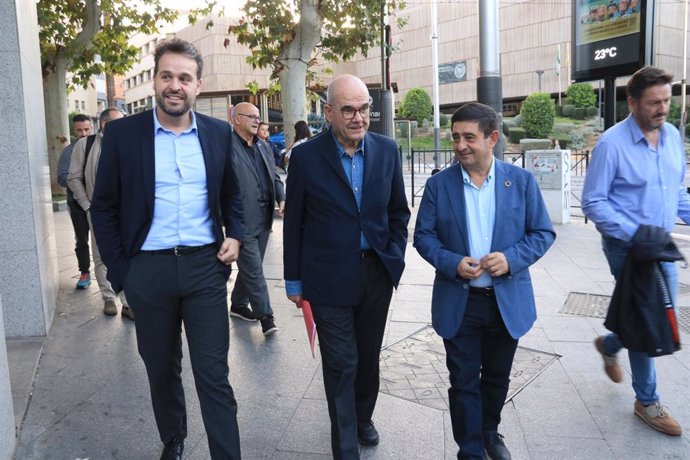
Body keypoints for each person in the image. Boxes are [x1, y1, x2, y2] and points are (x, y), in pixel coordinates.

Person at [90, 38, 244, 459]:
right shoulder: (122, 135)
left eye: (185, 78)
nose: (175, 85)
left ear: (197, 85)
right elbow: (103, 208)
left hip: (204, 270)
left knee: (214, 374)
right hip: (147, 272)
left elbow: (232, 195)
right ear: (156, 80)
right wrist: (124, 275)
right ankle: (173, 439)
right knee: (161, 370)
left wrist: (236, 235)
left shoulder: (218, 133)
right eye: (167, 76)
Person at [414, 102, 555, 460]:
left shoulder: (520, 182)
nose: (460, 145)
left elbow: (542, 232)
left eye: (469, 138)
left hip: (505, 302)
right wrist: (451, 262)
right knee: (463, 382)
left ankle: (490, 431)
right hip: (460, 303)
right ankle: (471, 449)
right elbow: (424, 238)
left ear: (492, 138)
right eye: (456, 137)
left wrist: (511, 259)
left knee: (496, 378)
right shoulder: (437, 186)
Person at [283, 74, 410, 459]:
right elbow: (294, 222)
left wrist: (394, 255)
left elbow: (398, 212)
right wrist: (293, 280)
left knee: (368, 355)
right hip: (326, 277)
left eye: (365, 109)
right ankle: (345, 446)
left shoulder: (387, 150)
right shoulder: (305, 156)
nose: (359, 117)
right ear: (329, 113)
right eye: (349, 109)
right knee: (341, 362)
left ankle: (363, 416)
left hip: (375, 272)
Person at [582, 66, 690, 437]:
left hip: (659, 244)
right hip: (626, 246)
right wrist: (635, 234)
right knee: (648, 317)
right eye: (653, 103)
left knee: (660, 313)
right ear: (632, 103)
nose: (662, 109)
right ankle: (647, 401)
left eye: (666, 101)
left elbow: (675, 191)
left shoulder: (673, 136)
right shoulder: (612, 144)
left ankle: (611, 343)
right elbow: (593, 202)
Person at [67, 108, 133, 319]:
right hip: (97, 211)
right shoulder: (84, 145)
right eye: (119, 122)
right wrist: (86, 204)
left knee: (128, 254)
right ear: (105, 124)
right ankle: (107, 297)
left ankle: (128, 302)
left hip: (127, 210)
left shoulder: (129, 143)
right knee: (102, 254)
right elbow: (73, 178)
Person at [229, 102, 285, 335]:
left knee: (252, 266)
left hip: (264, 218)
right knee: (254, 270)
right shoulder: (225, 147)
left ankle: (238, 304)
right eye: (251, 116)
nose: (256, 120)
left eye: (258, 116)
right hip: (241, 219)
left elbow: (274, 176)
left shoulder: (263, 146)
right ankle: (266, 317)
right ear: (236, 119)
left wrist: (282, 198)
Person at [57, 114, 93, 289]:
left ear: (91, 128)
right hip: (77, 204)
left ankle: (109, 273)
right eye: (79, 130)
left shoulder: (99, 148)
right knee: (81, 240)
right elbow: (62, 178)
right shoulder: (68, 152)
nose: (83, 133)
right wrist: (80, 179)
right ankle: (84, 272)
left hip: (100, 203)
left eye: (86, 129)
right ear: (74, 131)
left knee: (105, 239)